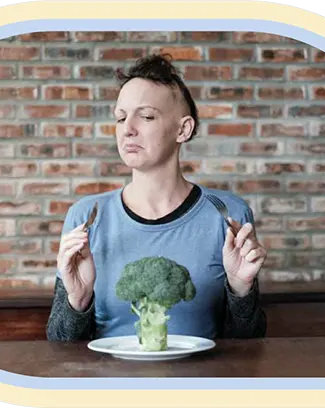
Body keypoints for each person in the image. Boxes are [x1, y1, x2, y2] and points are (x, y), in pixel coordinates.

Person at [46, 54, 267, 341]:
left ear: (183, 129)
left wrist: (241, 289)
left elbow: (249, 344)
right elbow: (59, 346)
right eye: (120, 118)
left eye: (147, 116)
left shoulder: (227, 213)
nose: (128, 129)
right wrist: (78, 299)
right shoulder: (87, 216)